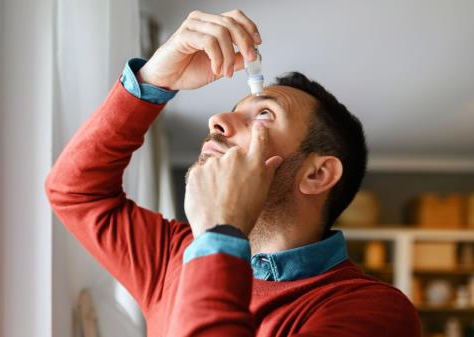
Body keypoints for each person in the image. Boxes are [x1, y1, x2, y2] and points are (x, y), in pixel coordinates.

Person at [45, 9, 421, 337]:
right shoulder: (176, 256)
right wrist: (152, 82)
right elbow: (75, 191)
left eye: (263, 114)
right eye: (234, 109)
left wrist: (221, 233)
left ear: (317, 174)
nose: (218, 120)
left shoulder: (373, 311)